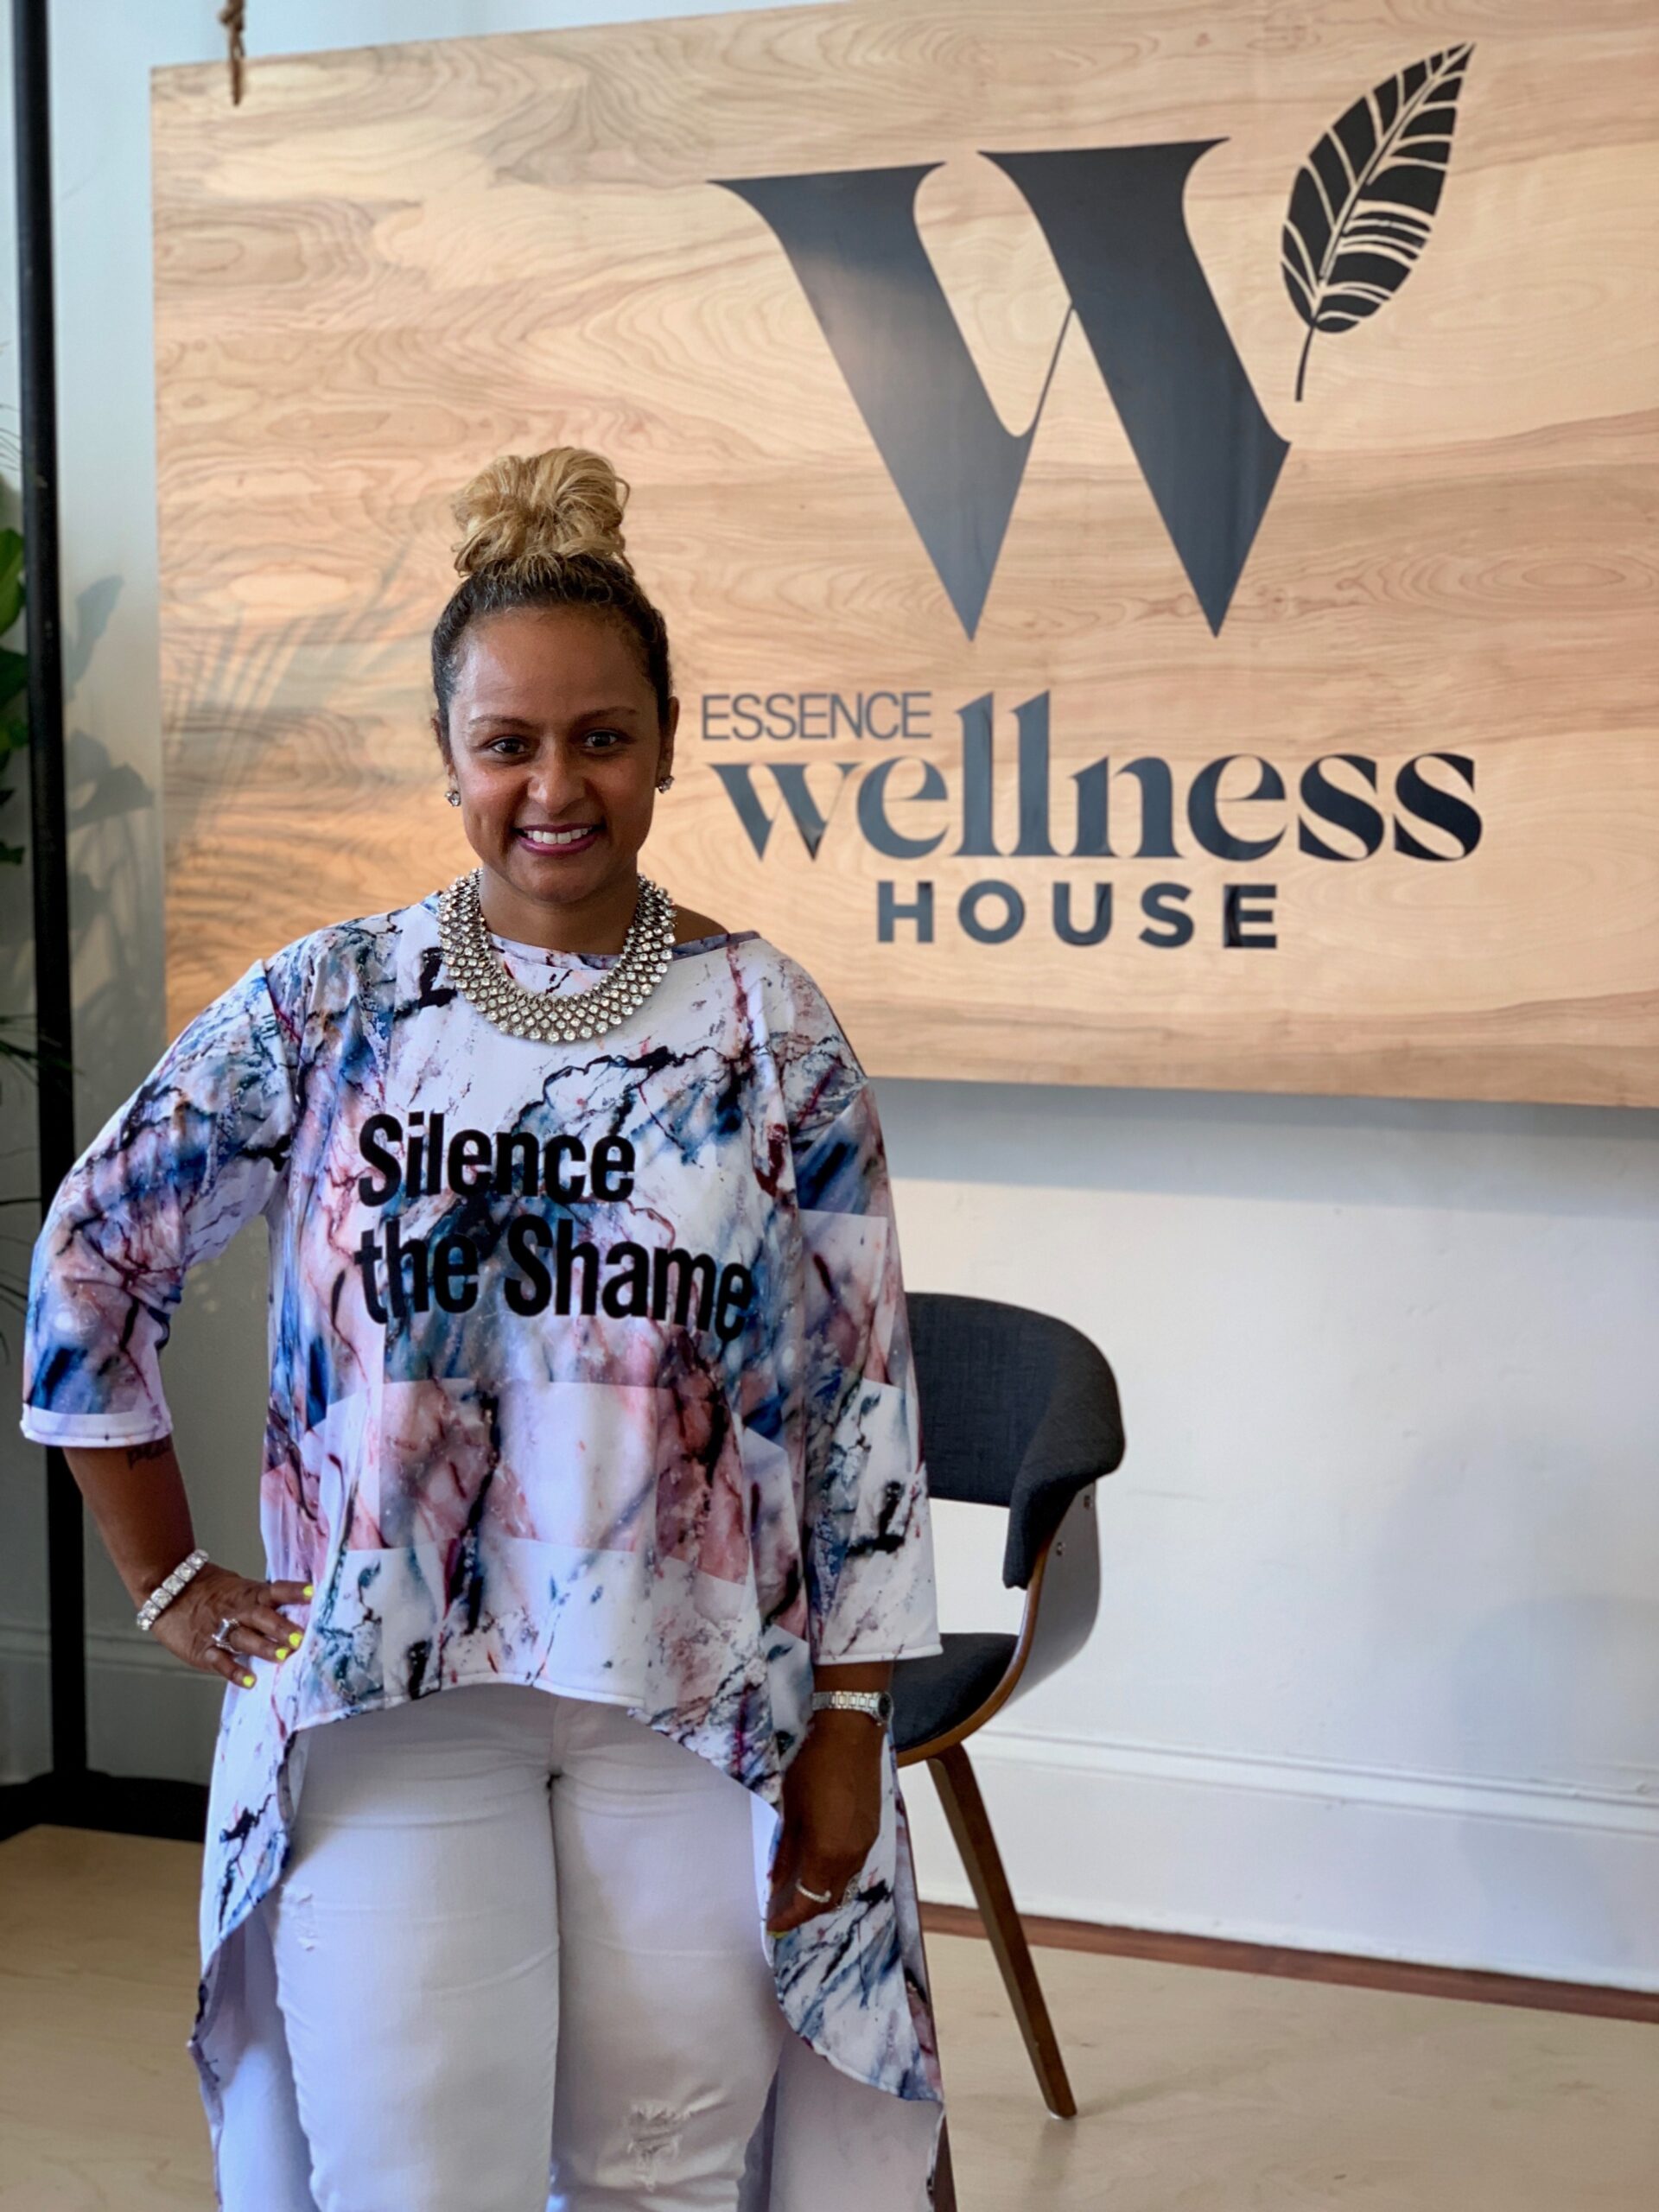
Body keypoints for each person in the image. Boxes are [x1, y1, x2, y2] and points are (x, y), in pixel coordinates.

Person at [21, 448, 944, 2211]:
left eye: (602, 737)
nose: (555, 786)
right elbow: (93, 1250)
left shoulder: (769, 1027)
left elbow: (860, 1400)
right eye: (509, 742)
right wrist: (169, 1579)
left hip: (696, 1702)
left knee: (661, 2172)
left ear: (667, 742)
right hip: (393, 1698)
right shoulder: (332, 1005)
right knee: (413, 2172)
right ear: (449, 754)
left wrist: (850, 1718)